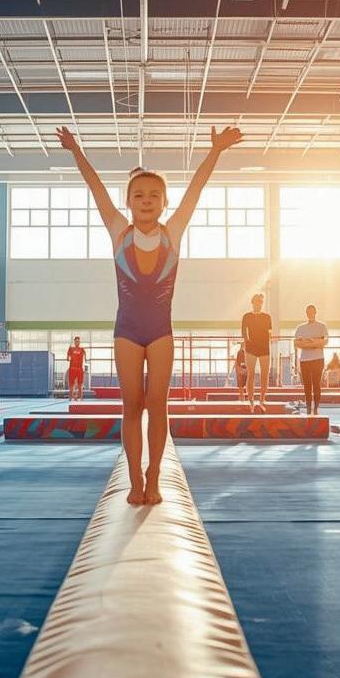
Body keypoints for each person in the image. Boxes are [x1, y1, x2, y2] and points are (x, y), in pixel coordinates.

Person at [58, 123, 243, 505]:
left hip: (160, 331)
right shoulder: (119, 231)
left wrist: (216, 151)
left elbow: (196, 190)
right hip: (126, 331)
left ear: (165, 203)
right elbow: (95, 188)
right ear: (128, 201)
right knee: (132, 406)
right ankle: (134, 480)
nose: (146, 201)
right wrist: (76, 150)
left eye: (154, 195)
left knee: (158, 404)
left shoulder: (173, 232)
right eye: (138, 195)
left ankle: (154, 476)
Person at [293, 304, 328, 415]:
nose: (310, 314)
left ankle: (316, 408)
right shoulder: (300, 328)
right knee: (307, 386)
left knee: (316, 384)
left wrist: (308, 343)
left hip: (318, 359)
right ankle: (308, 407)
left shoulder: (322, 326)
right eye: (308, 312)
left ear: (315, 312)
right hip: (305, 360)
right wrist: (315, 342)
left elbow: (324, 342)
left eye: (312, 311)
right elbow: (297, 343)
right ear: (306, 313)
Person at [240, 293, 273, 413]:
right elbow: (244, 332)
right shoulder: (247, 316)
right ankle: (251, 400)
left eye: (260, 302)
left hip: (264, 348)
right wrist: (247, 343)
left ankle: (262, 399)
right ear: (252, 303)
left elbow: (269, 332)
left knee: (265, 374)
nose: (258, 304)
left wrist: (266, 343)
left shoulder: (267, 317)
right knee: (251, 373)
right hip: (251, 348)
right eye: (256, 302)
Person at [67, 337, 87, 401]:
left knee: (80, 384)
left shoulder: (82, 349)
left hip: (79, 369)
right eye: (76, 341)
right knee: (71, 384)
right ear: (74, 342)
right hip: (72, 368)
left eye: (78, 341)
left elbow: (85, 358)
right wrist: (68, 354)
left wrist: (85, 359)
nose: (77, 342)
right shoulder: (71, 349)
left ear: (79, 342)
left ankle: (80, 398)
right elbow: (67, 359)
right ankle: (71, 398)